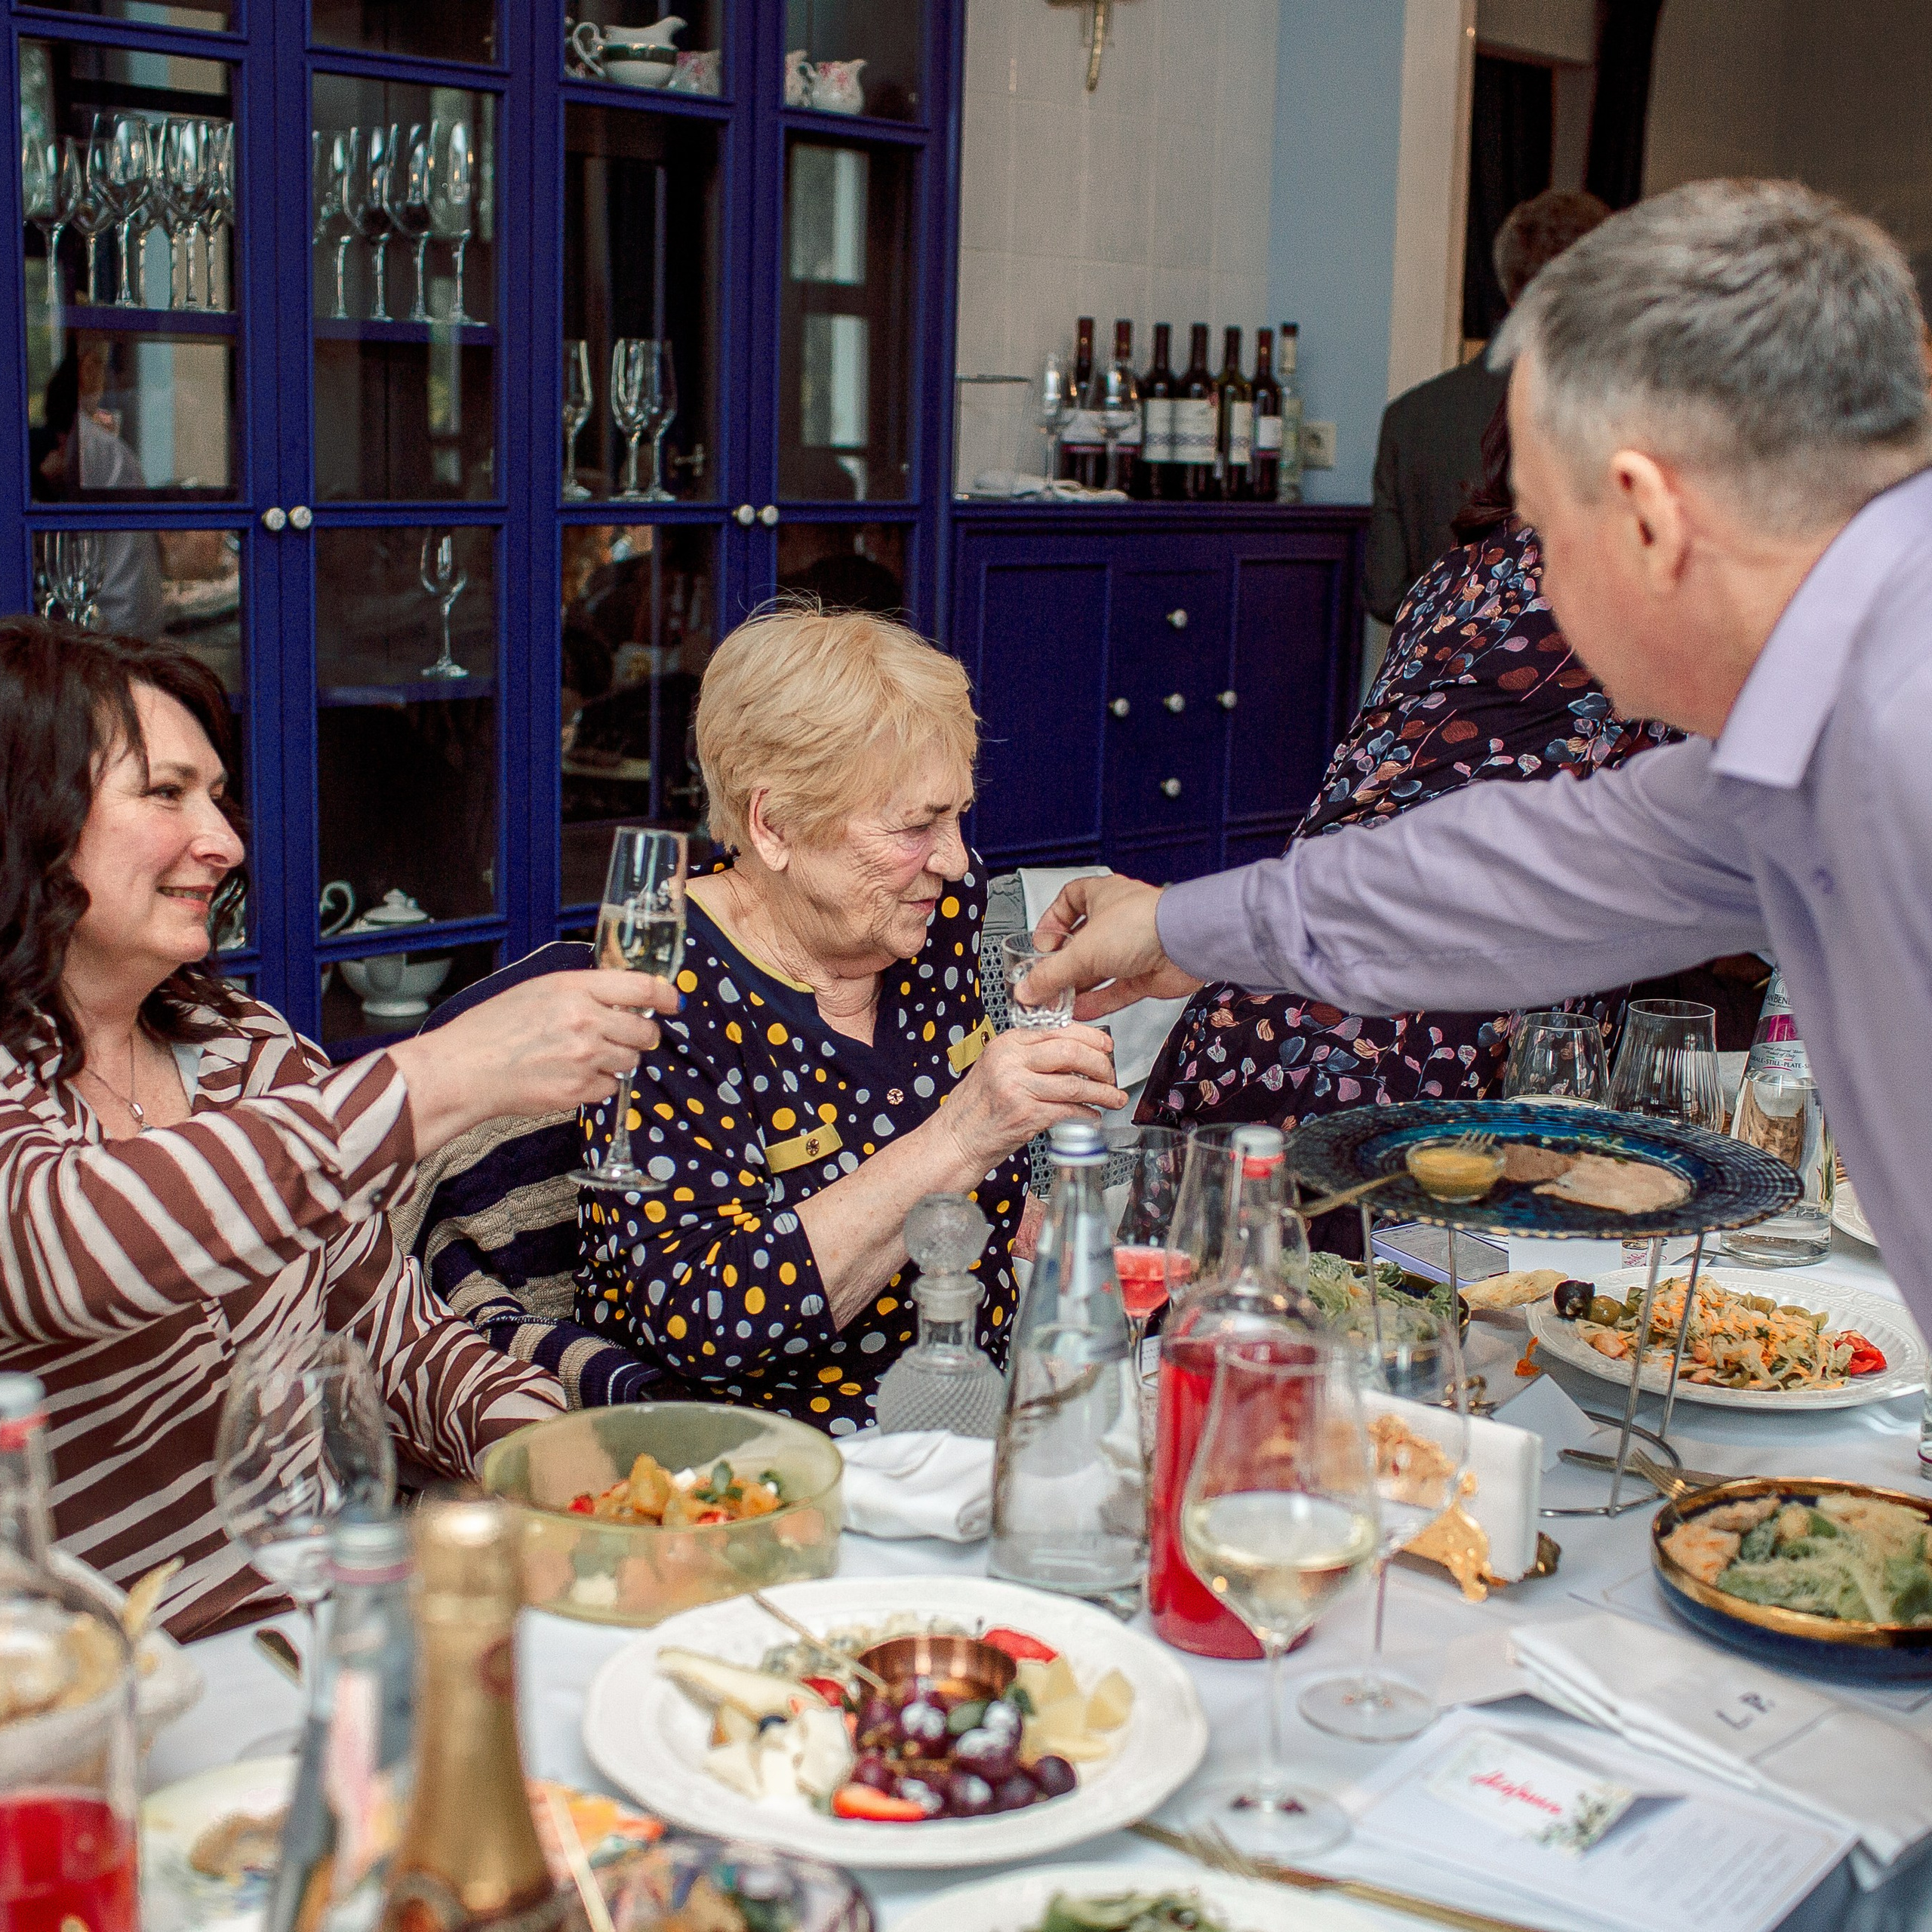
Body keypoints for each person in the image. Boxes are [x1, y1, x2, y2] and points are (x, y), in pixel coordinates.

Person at [1022, 180, 1932, 1331]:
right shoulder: (1804, 742)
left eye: (1541, 532)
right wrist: (1173, 930)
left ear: (1647, 520)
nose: (1523, 582)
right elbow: (1519, 873)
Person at [0, 617, 674, 1638]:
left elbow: (394, 1340)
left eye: (217, 797)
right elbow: (66, 1244)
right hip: (100, 1681)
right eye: (167, 793)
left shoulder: (246, 1048)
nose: (225, 842)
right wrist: (449, 1072)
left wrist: (559, 1462)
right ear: (29, 816)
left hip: (329, 1626)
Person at [571, 606, 1126, 1432]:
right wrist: (964, 1134)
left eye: (956, 815)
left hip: (980, 1405)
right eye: (916, 826)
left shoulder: (935, 908)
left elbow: (977, 1179)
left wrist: (1035, 1219)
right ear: (773, 825)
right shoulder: (660, 978)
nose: (954, 859)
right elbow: (701, 1315)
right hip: (773, 1451)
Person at [1140, 403, 1672, 1175]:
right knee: (1436, 1256)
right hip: (1436, 1038)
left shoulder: (1449, 576)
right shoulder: (1638, 594)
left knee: (1203, 1250)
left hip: (1257, 1005)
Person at [1366, 189, 1608, 624]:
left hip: (1434, 660)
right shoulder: (1618, 416)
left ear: (1511, 289)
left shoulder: (1409, 416)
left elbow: (1385, 593)